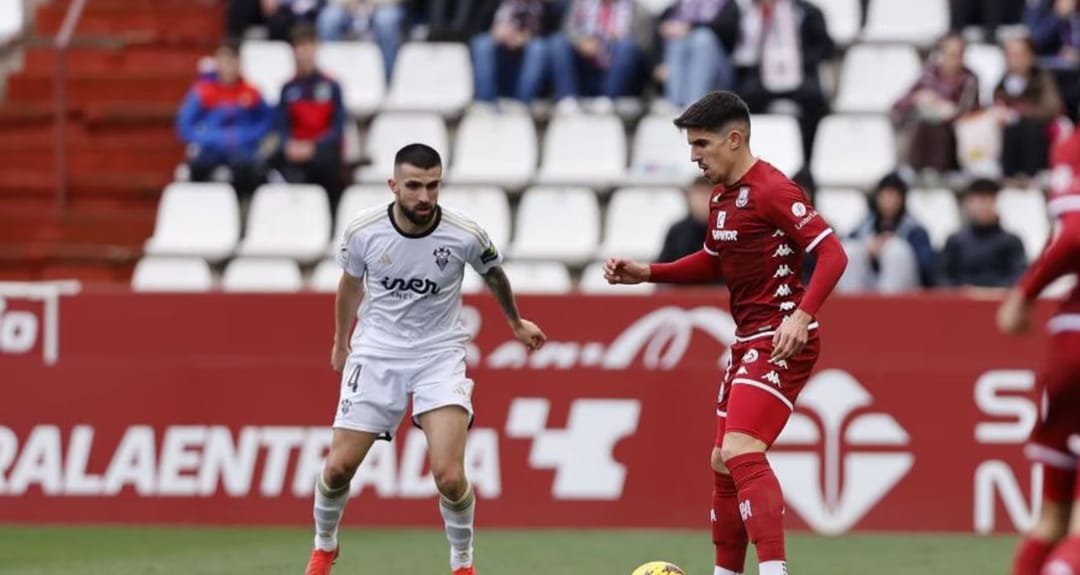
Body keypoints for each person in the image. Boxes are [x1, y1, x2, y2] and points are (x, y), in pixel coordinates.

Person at [603, 91, 848, 575]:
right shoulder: (722, 198)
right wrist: (647, 272)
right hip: (748, 337)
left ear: (734, 139)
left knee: (740, 449)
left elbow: (833, 253)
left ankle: (774, 571)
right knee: (721, 461)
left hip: (781, 335)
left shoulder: (774, 190)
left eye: (701, 144)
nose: (694, 156)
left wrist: (802, 314)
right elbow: (714, 261)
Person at [302, 143, 547, 575]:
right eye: (414, 186)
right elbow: (349, 285)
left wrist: (515, 322)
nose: (424, 197)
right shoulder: (365, 230)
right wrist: (342, 343)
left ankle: (462, 564)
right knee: (338, 467)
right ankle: (324, 547)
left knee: (449, 477)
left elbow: (493, 273)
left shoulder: (463, 234)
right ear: (393, 185)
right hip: (377, 349)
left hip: (439, 353)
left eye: (433, 186)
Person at [998, 183, 1080, 575]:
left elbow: (1069, 232)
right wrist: (1025, 293)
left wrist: (1024, 295)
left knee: (1052, 520)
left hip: (1067, 346)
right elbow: (1075, 233)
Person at [731, 0, 834, 161]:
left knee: (815, 101)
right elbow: (740, 53)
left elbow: (826, 48)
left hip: (801, 78)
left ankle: (808, 158)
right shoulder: (747, 14)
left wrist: (797, 59)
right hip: (761, 78)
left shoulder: (808, 12)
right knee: (740, 103)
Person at [176, 39, 273, 199]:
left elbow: (267, 121)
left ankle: (244, 212)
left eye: (232, 61)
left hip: (243, 151)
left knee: (252, 169)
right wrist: (208, 138)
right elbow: (184, 125)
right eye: (224, 60)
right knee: (198, 167)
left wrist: (249, 136)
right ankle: (201, 211)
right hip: (210, 150)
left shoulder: (251, 91)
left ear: (239, 64)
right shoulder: (203, 91)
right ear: (218, 62)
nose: (228, 66)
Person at [273, 25, 347, 210]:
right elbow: (282, 126)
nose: (304, 52)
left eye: (308, 46)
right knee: (267, 163)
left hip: (321, 149)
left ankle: (329, 218)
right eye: (299, 47)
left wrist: (313, 146)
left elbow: (337, 129)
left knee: (328, 164)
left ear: (316, 48)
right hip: (296, 148)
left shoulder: (332, 86)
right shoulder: (288, 88)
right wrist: (288, 144)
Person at [892, 33, 980, 173]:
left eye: (960, 54)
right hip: (922, 131)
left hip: (952, 138)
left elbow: (969, 112)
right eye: (952, 54)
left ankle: (935, 175)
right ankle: (915, 173)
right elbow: (897, 106)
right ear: (941, 54)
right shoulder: (928, 75)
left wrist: (944, 107)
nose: (957, 60)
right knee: (923, 121)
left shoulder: (969, 79)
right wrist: (918, 97)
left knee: (938, 127)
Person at [839, 173, 936, 292]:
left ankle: (888, 308)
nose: (889, 201)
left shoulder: (915, 230)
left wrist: (892, 243)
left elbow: (926, 268)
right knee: (851, 250)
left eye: (893, 195)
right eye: (885, 195)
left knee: (896, 250)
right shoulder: (864, 225)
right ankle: (851, 305)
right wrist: (869, 248)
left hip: (904, 289)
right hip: (869, 283)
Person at [992, 35, 1065, 178]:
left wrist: (1020, 112)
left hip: (1037, 133)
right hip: (1010, 137)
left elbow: (1053, 108)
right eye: (1011, 55)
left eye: (1020, 54)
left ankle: (1033, 177)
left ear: (1031, 57)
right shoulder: (1000, 82)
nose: (1015, 60)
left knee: (1030, 129)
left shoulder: (1042, 78)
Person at [941, 178, 1028, 287]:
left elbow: (1019, 277)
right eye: (977, 201)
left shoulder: (1012, 241)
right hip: (962, 300)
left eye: (987, 200)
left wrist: (989, 292)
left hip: (1001, 300)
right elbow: (943, 278)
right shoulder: (955, 241)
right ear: (968, 204)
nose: (982, 207)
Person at [470, 0, 556, 105]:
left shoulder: (544, 6)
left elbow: (551, 35)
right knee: (482, 43)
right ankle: (484, 103)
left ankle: (522, 105)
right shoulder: (496, 4)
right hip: (500, 53)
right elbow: (480, 28)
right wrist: (498, 34)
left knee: (538, 47)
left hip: (529, 59)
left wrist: (526, 37)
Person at [656, 0, 739, 107]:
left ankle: (695, 105)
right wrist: (658, 64)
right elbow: (658, 35)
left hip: (718, 74)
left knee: (703, 38)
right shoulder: (675, 8)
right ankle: (675, 104)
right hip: (678, 75)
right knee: (678, 40)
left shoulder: (727, 5)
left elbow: (726, 31)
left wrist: (690, 27)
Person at [316, 0, 407, 81]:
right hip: (347, 7)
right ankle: (329, 78)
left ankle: (388, 79)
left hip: (384, 6)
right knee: (329, 20)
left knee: (386, 21)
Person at [658, 176, 718, 264]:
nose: (703, 201)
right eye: (699, 194)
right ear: (689, 197)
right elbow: (663, 265)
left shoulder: (727, 231)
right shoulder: (677, 231)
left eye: (707, 193)